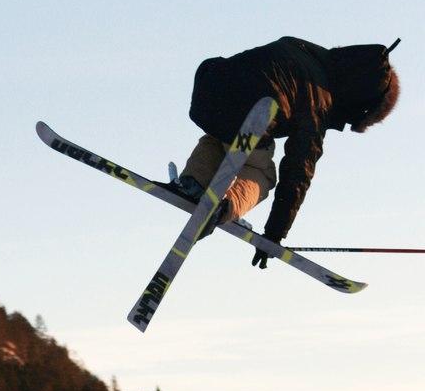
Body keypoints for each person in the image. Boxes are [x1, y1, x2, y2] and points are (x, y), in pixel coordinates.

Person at [171, 35, 400, 266]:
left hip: (209, 89)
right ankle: (224, 206)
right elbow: (298, 171)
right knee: (262, 171)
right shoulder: (318, 98)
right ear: (358, 101)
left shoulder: (302, 49)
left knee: (220, 137)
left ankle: (193, 182)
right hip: (249, 114)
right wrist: (274, 234)